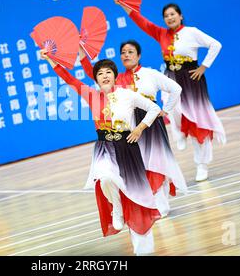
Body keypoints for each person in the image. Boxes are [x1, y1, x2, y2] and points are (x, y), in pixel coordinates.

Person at [42, 48, 163, 255]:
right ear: (96, 79)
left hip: (127, 147)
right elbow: (68, 78)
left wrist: (139, 128)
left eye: (108, 72)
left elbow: (154, 109)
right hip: (104, 147)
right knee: (105, 178)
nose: (105, 75)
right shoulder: (91, 95)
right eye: (100, 73)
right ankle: (116, 208)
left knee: (136, 196)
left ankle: (143, 248)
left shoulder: (128, 95)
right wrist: (50, 59)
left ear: (115, 76)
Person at [114, 0, 226, 182]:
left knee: (199, 121)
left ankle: (202, 164)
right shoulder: (161, 34)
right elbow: (142, 22)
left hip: (192, 78)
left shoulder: (192, 32)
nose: (169, 18)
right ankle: (180, 131)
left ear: (180, 16)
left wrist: (204, 66)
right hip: (170, 75)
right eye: (166, 16)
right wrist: (123, 5)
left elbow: (215, 45)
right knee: (170, 107)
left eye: (173, 14)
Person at [78, 41, 187, 217]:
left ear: (139, 55)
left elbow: (175, 89)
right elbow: (91, 71)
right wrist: (80, 49)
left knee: (157, 162)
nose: (126, 55)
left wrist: (165, 110)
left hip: (150, 125)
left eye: (131, 52)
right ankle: (146, 203)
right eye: (123, 52)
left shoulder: (150, 74)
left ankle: (162, 202)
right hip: (129, 127)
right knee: (140, 164)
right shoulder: (117, 78)